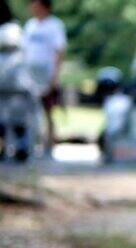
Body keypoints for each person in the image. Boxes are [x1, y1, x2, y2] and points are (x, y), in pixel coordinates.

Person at [22, 0, 66, 153]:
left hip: (47, 74)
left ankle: (50, 142)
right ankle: (31, 142)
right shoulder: (30, 25)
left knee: (48, 108)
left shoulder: (54, 25)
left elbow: (59, 51)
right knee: (29, 109)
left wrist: (55, 76)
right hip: (30, 75)